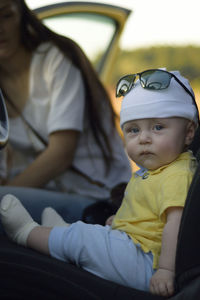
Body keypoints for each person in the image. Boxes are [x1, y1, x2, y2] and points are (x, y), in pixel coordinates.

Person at [0, 69, 198, 297]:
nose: (144, 138)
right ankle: (62, 234)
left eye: (158, 127)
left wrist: (165, 270)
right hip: (136, 248)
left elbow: (176, 224)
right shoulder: (155, 170)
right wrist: (122, 220)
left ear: (188, 133)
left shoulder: (177, 174)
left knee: (85, 240)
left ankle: (27, 232)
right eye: (133, 130)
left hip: (148, 262)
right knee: (92, 234)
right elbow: (149, 213)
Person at [0, 0, 131, 220]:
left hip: (98, 198)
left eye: (6, 15)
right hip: (47, 193)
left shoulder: (55, 58)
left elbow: (61, 154)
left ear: (23, 16)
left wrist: (6, 195)